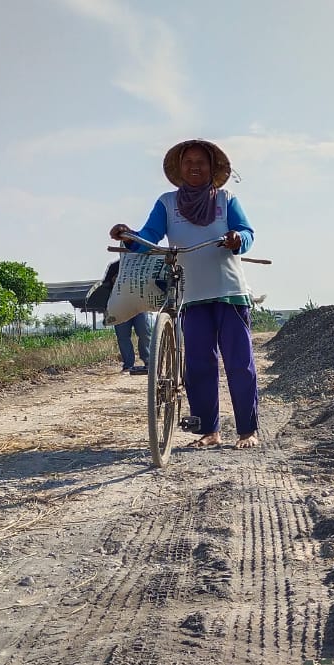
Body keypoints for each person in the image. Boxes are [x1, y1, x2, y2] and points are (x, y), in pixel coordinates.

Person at [109, 139, 261, 449]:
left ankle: (247, 431)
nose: (194, 166)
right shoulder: (166, 203)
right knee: (198, 364)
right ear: (179, 168)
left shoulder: (227, 199)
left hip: (230, 293)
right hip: (191, 297)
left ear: (212, 168)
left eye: (201, 162)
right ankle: (209, 431)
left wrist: (237, 239)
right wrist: (128, 236)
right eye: (188, 161)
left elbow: (247, 233)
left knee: (239, 363)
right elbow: (149, 237)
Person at [114, 310, 154, 375]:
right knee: (122, 336)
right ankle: (128, 365)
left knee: (144, 332)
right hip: (119, 306)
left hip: (139, 305)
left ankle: (149, 362)